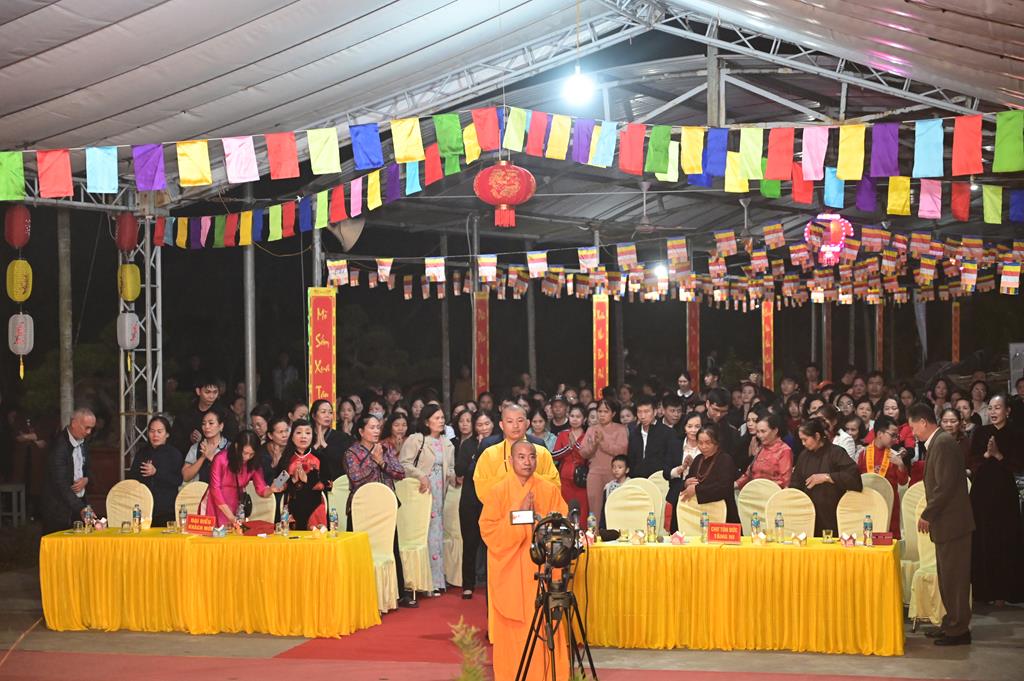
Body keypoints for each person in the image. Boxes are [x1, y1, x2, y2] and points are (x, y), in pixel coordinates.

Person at [479, 441, 569, 681]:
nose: (527, 462)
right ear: (511, 460)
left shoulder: (549, 489)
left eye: (531, 457)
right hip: (509, 570)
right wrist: (520, 515)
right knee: (514, 629)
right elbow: (488, 531)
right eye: (521, 457)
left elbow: (562, 527)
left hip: (542, 571)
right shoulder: (498, 491)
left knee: (545, 623)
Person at [907, 403, 975, 645]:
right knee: (947, 577)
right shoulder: (938, 442)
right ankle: (951, 624)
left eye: (913, 427)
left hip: (953, 523)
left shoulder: (943, 443)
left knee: (955, 579)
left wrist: (928, 514)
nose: (912, 433)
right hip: (947, 524)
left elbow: (944, 486)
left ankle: (959, 630)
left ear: (923, 422)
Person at [967, 395, 1024, 605]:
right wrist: (986, 455)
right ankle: (984, 592)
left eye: (997, 408)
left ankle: (1004, 591)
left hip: (1004, 493)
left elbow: (1018, 464)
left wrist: (998, 455)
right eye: (990, 408)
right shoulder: (981, 432)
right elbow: (971, 461)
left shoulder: (1016, 434)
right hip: (982, 492)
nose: (992, 412)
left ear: (1007, 411)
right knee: (983, 538)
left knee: (1005, 539)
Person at [399, 404, 455, 595]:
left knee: (437, 534)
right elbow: (404, 463)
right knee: (424, 532)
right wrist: (421, 475)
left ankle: (437, 580)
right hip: (421, 492)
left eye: (442, 418)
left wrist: (455, 477)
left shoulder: (447, 443)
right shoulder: (416, 440)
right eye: (436, 418)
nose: (441, 421)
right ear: (426, 421)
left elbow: (450, 468)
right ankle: (423, 581)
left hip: (440, 493)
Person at [473, 405, 561, 505]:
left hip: (537, 509)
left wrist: (530, 479)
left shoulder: (542, 453)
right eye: (510, 421)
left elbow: (554, 484)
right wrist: (513, 479)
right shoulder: (489, 454)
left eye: (520, 421)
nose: (515, 426)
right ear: (501, 425)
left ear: (527, 423)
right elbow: (482, 487)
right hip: (501, 510)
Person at [790, 419, 863, 536]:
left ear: (817, 436)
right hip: (808, 514)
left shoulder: (837, 452)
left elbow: (853, 478)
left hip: (832, 512)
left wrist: (827, 477)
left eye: (805, 439)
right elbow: (795, 483)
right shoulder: (804, 455)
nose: (803, 443)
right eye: (801, 440)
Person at [455, 410, 495, 599]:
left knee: (492, 545)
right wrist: (477, 451)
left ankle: (494, 582)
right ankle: (468, 585)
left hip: (492, 500)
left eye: (487, 424)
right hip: (470, 498)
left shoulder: (499, 445)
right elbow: (461, 471)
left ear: (494, 424)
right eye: (479, 425)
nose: (483, 428)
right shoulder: (468, 445)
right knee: (470, 542)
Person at [205, 431, 282, 527]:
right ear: (237, 446)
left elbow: (261, 490)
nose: (247, 457)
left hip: (236, 504)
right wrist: (231, 517)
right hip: (216, 504)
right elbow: (215, 489)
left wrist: (271, 489)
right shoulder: (221, 459)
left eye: (251, 454)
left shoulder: (253, 463)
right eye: (245, 453)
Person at [41, 408, 96, 533]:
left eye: (91, 428)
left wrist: (86, 479)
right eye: (86, 427)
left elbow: (88, 469)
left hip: (78, 505)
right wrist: (81, 508)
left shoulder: (83, 442)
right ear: (74, 423)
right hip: (59, 510)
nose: (89, 432)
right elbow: (60, 484)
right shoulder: (58, 447)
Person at [579, 399, 629, 526]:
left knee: (615, 508)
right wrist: (594, 445)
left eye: (605, 412)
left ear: (613, 413)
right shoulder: (591, 429)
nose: (602, 415)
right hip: (595, 473)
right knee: (594, 510)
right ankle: (594, 535)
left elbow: (621, 451)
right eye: (599, 411)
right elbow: (583, 452)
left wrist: (602, 443)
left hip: (615, 474)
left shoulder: (621, 429)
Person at [857, 416, 909, 537]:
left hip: (890, 503)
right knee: (868, 537)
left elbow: (903, 482)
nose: (895, 440)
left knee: (890, 538)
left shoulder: (894, 456)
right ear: (880, 434)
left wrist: (900, 464)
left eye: (897, 436)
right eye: (893, 435)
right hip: (868, 503)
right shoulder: (862, 454)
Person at [127, 416, 183, 526]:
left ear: (167, 434)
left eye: (159, 431)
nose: (155, 435)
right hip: (143, 508)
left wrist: (156, 473)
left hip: (166, 510)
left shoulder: (174, 454)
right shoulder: (142, 453)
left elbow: (177, 480)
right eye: (152, 431)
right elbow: (132, 478)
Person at [679, 423, 740, 524]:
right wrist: (686, 483)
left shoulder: (725, 459)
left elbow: (724, 488)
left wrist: (697, 490)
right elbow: (689, 483)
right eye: (700, 443)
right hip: (699, 512)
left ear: (717, 442)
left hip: (723, 513)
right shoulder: (698, 459)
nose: (704, 447)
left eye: (708, 443)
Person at [282, 419, 331, 530]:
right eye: (299, 432)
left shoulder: (320, 457)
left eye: (308, 433)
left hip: (315, 506)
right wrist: (292, 480)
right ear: (292, 436)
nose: (303, 436)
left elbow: (328, 484)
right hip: (293, 507)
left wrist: (307, 480)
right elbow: (279, 484)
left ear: (312, 436)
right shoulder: (287, 458)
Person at [170, 376, 237, 455]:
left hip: (219, 456)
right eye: (207, 392)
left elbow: (232, 439)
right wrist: (190, 440)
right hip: (190, 457)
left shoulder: (225, 414)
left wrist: (204, 440)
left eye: (215, 392)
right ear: (198, 391)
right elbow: (175, 442)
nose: (211, 396)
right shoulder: (185, 415)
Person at [627, 395, 681, 480]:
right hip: (638, 480)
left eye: (646, 412)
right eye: (639, 412)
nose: (643, 416)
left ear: (655, 412)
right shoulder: (634, 433)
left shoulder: (668, 433)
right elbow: (631, 460)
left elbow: (673, 460)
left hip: (661, 480)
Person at [551, 404, 589, 523]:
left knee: (582, 510)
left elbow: (588, 455)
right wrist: (568, 448)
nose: (575, 419)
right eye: (572, 416)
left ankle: (582, 532)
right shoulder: (563, 434)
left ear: (584, 419)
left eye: (578, 416)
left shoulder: (588, 435)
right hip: (565, 478)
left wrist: (575, 445)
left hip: (582, 479)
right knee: (565, 509)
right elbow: (554, 455)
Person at [735, 413, 792, 489]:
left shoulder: (784, 450)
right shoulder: (761, 448)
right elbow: (749, 474)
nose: (760, 435)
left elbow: (784, 481)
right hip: (756, 491)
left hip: (772, 492)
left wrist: (762, 486)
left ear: (775, 431)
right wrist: (735, 484)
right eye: (758, 432)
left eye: (763, 431)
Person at [310, 399, 351, 484]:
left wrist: (325, 446)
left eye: (330, 412)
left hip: (335, 484)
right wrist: (315, 447)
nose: (327, 415)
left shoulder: (341, 437)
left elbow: (344, 461)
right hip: (310, 485)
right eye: (323, 412)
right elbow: (299, 459)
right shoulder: (307, 436)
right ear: (314, 415)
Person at [181, 409, 229, 483]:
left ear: (221, 426)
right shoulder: (196, 447)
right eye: (203, 423)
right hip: (199, 489)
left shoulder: (229, 447)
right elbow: (186, 476)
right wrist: (203, 457)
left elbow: (232, 477)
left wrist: (212, 458)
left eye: (211, 423)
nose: (206, 426)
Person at [704, 387, 743, 476]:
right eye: (715, 410)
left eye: (723, 411)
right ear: (707, 404)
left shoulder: (732, 432)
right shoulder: (694, 424)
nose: (719, 415)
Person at [601, 454, 631, 522]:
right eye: (614, 467)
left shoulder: (631, 485)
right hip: (612, 519)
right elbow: (604, 509)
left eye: (620, 467)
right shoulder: (608, 487)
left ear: (627, 470)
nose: (616, 470)